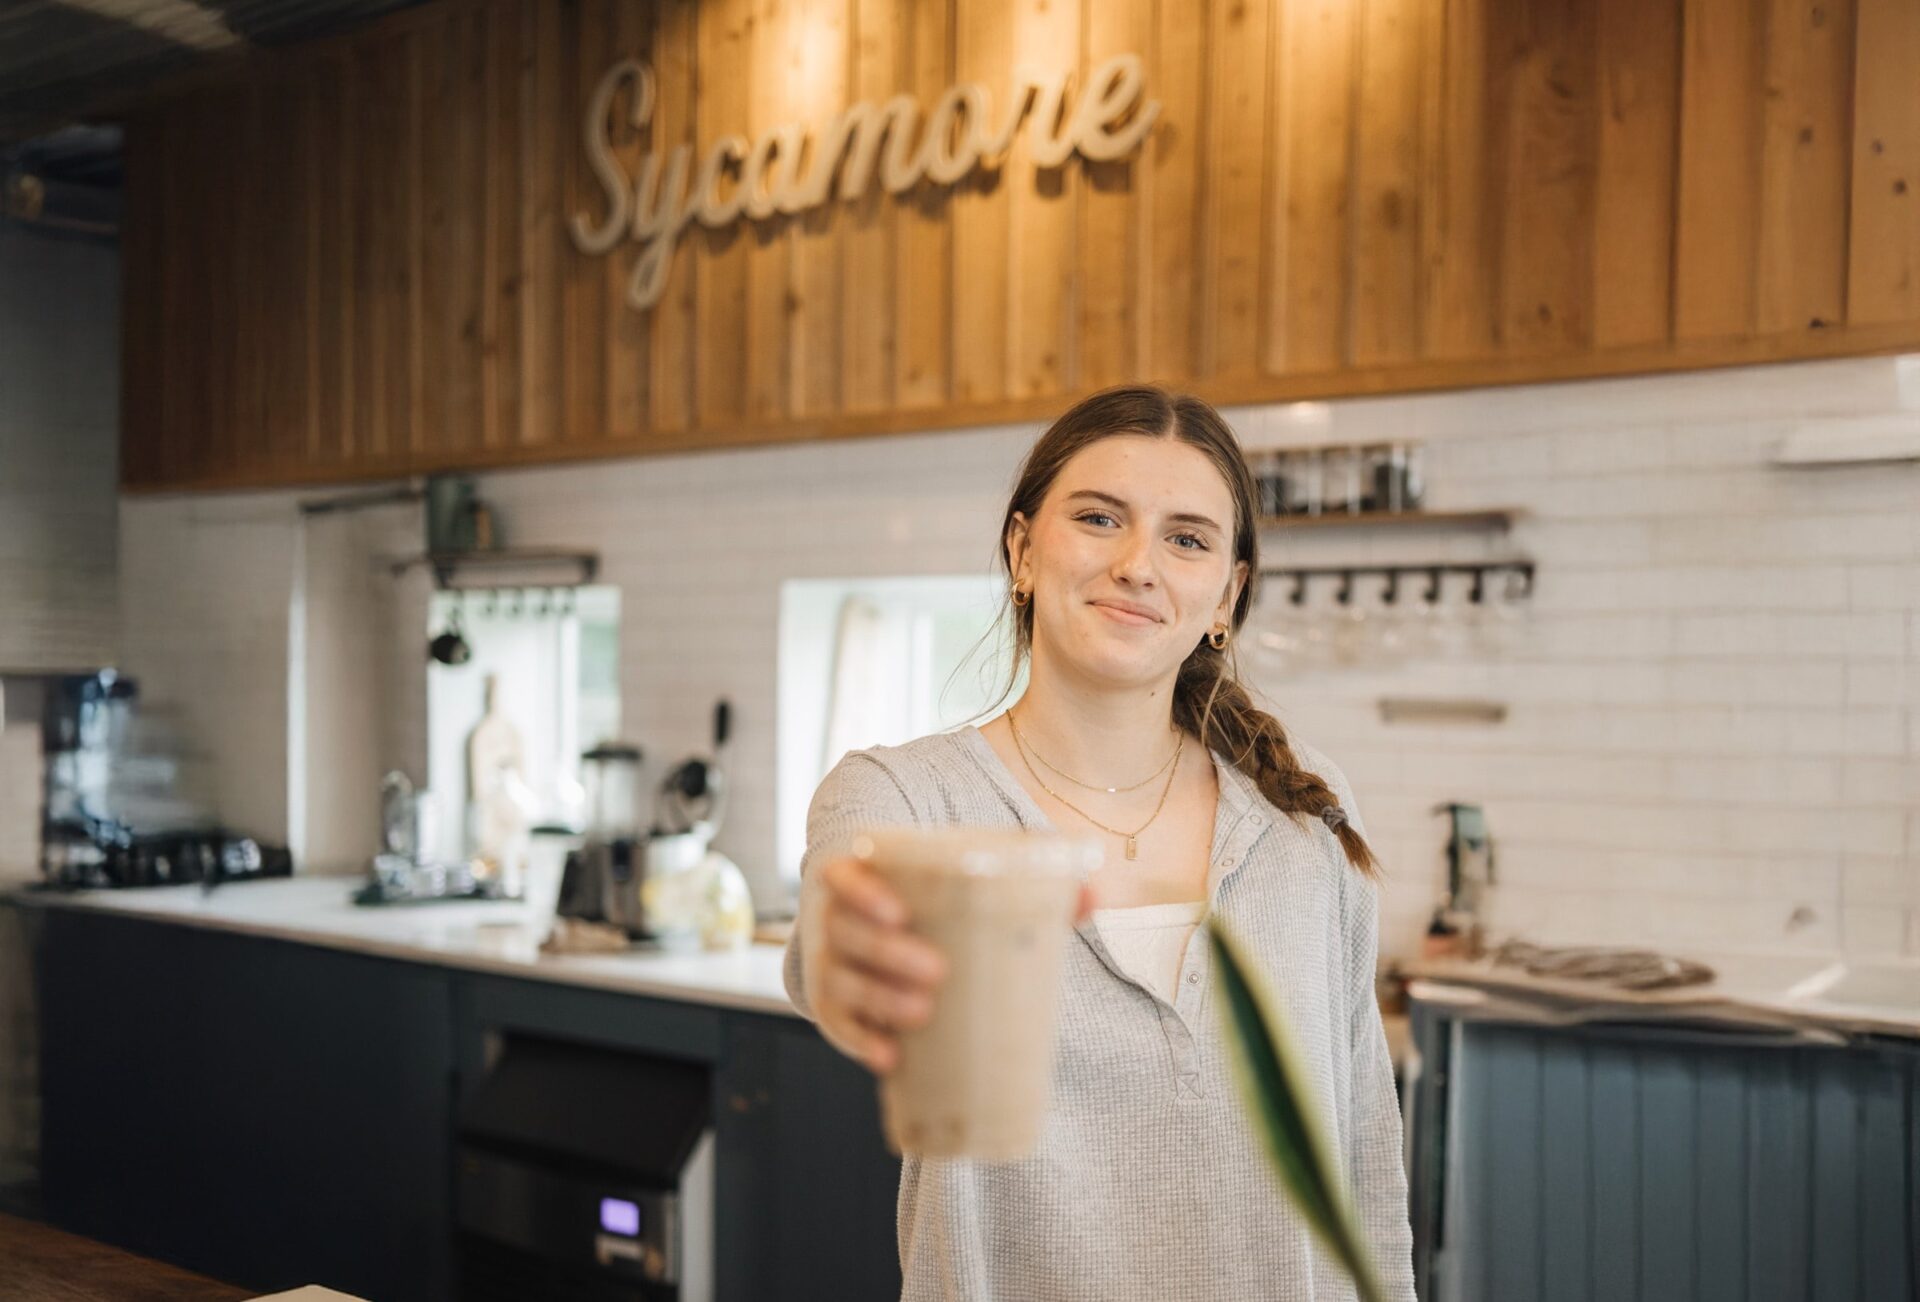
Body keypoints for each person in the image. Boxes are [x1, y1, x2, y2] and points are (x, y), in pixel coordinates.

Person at [782, 385, 1417, 1300]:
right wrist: (849, 955)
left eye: (1187, 537)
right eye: (1098, 518)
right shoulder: (904, 797)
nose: (1137, 564)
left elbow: (1365, 1149)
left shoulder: (1303, 818)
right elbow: (832, 939)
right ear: (1021, 550)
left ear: (1225, 596)